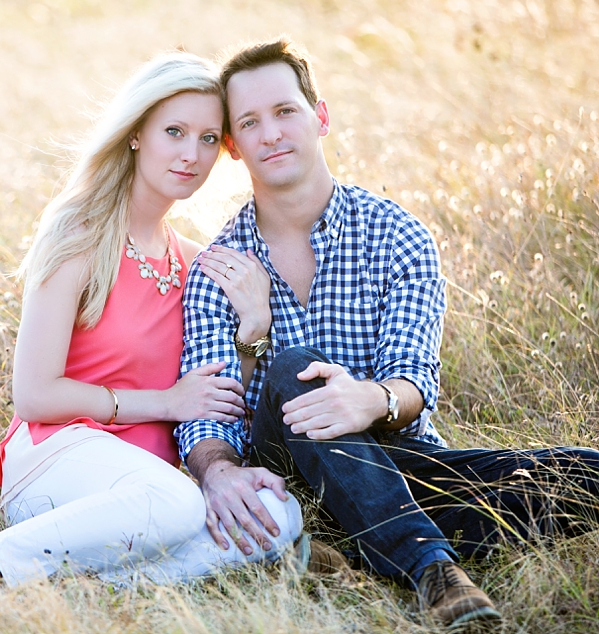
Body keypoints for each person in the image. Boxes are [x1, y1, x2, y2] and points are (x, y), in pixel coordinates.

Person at [175, 37, 599, 631]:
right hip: (284, 478)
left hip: (403, 462)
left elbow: (415, 379)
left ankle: (346, 544)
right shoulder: (221, 265)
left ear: (320, 117)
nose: (271, 133)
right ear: (234, 148)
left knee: (585, 473)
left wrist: (367, 400)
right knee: (292, 368)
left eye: (285, 111)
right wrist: (218, 470)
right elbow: (208, 415)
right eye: (249, 122)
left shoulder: (397, 235)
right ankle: (432, 568)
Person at [0, 52, 325, 596]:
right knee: (176, 503)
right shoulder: (79, 236)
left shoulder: (196, 259)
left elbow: (216, 397)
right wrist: (164, 403)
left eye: (210, 138)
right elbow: (34, 396)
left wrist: (253, 328)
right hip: (57, 457)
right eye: (175, 132)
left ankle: (85, 587)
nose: (191, 154)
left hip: (150, 486)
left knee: (280, 517)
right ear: (137, 133)